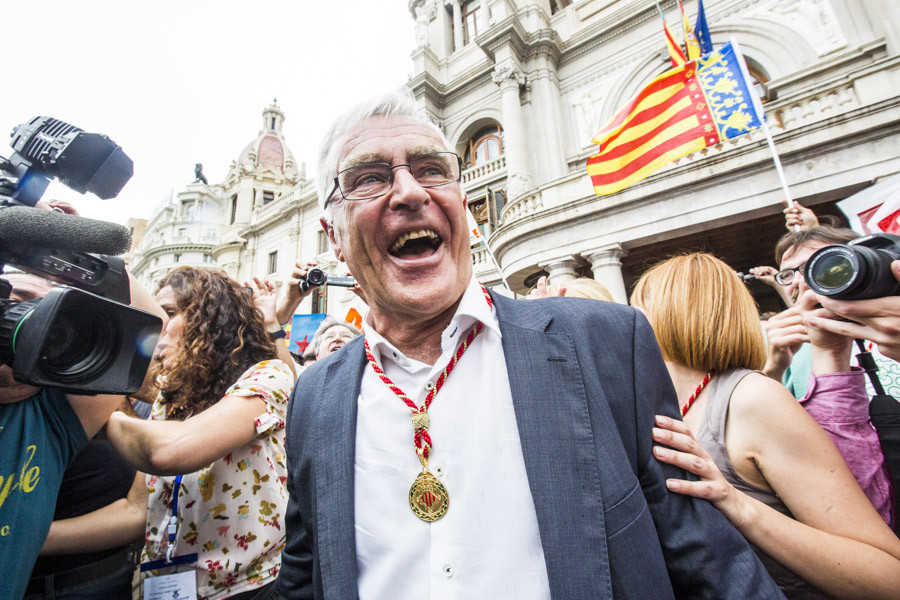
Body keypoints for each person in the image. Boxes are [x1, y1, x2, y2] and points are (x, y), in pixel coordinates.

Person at [276, 90, 783, 599]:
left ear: (463, 209)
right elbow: (305, 576)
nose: (410, 192)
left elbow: (713, 569)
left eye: (431, 169)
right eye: (370, 178)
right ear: (334, 238)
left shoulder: (607, 344)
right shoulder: (315, 396)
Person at [632, 253, 900, 598]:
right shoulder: (671, 406)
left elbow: (889, 575)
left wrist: (740, 506)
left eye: (637, 307)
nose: (626, 322)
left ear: (672, 313)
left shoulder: (752, 398)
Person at [83, 266, 294, 600]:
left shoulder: (268, 377)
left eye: (168, 313)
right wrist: (30, 537)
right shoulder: (169, 398)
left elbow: (168, 451)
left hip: (248, 589)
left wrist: (101, 409)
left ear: (212, 321)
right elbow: (136, 512)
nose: (157, 327)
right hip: (163, 588)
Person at [0, 271, 165, 600]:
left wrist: (77, 254)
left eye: (51, 316)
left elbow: (161, 348)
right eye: (14, 305)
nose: (36, 327)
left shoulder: (43, 419)